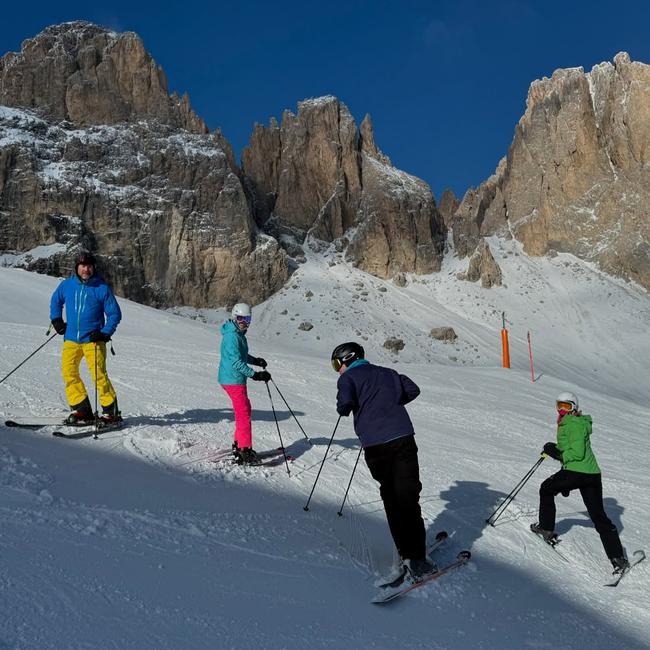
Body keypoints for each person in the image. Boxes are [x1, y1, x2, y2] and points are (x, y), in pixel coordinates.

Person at [332, 341, 434, 582]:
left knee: (392, 496)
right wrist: (388, 404)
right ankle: (416, 554)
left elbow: (344, 406)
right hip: (403, 437)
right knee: (408, 494)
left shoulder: (347, 379)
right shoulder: (387, 373)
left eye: (337, 363)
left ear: (347, 359)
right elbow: (412, 389)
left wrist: (360, 406)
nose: (336, 369)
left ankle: (406, 553)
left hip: (376, 444)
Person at [531, 391, 629, 574]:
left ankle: (546, 528)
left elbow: (576, 453)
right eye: (558, 405)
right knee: (598, 516)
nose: (561, 409)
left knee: (546, 489)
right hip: (592, 474)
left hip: (577, 472)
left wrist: (557, 454)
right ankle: (617, 558)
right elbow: (572, 448)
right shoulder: (574, 422)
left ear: (574, 407)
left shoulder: (573, 424)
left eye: (566, 406)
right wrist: (556, 449)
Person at [49, 251, 122, 424]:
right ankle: (82, 410)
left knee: (99, 376)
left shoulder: (101, 288)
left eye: (89, 266)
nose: (86, 269)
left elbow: (114, 314)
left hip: (93, 340)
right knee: (69, 372)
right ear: (77, 267)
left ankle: (111, 414)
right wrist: (57, 319)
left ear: (93, 268)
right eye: (82, 266)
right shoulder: (67, 285)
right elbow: (56, 301)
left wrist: (105, 332)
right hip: (71, 338)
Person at [218, 303, 270, 465]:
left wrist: (255, 360)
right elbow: (236, 362)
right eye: (240, 318)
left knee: (244, 410)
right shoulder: (232, 336)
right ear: (234, 317)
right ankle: (244, 450)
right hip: (233, 380)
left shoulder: (237, 334)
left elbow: (241, 355)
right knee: (243, 414)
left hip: (234, 379)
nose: (243, 322)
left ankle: (239, 444)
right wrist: (255, 375)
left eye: (246, 319)